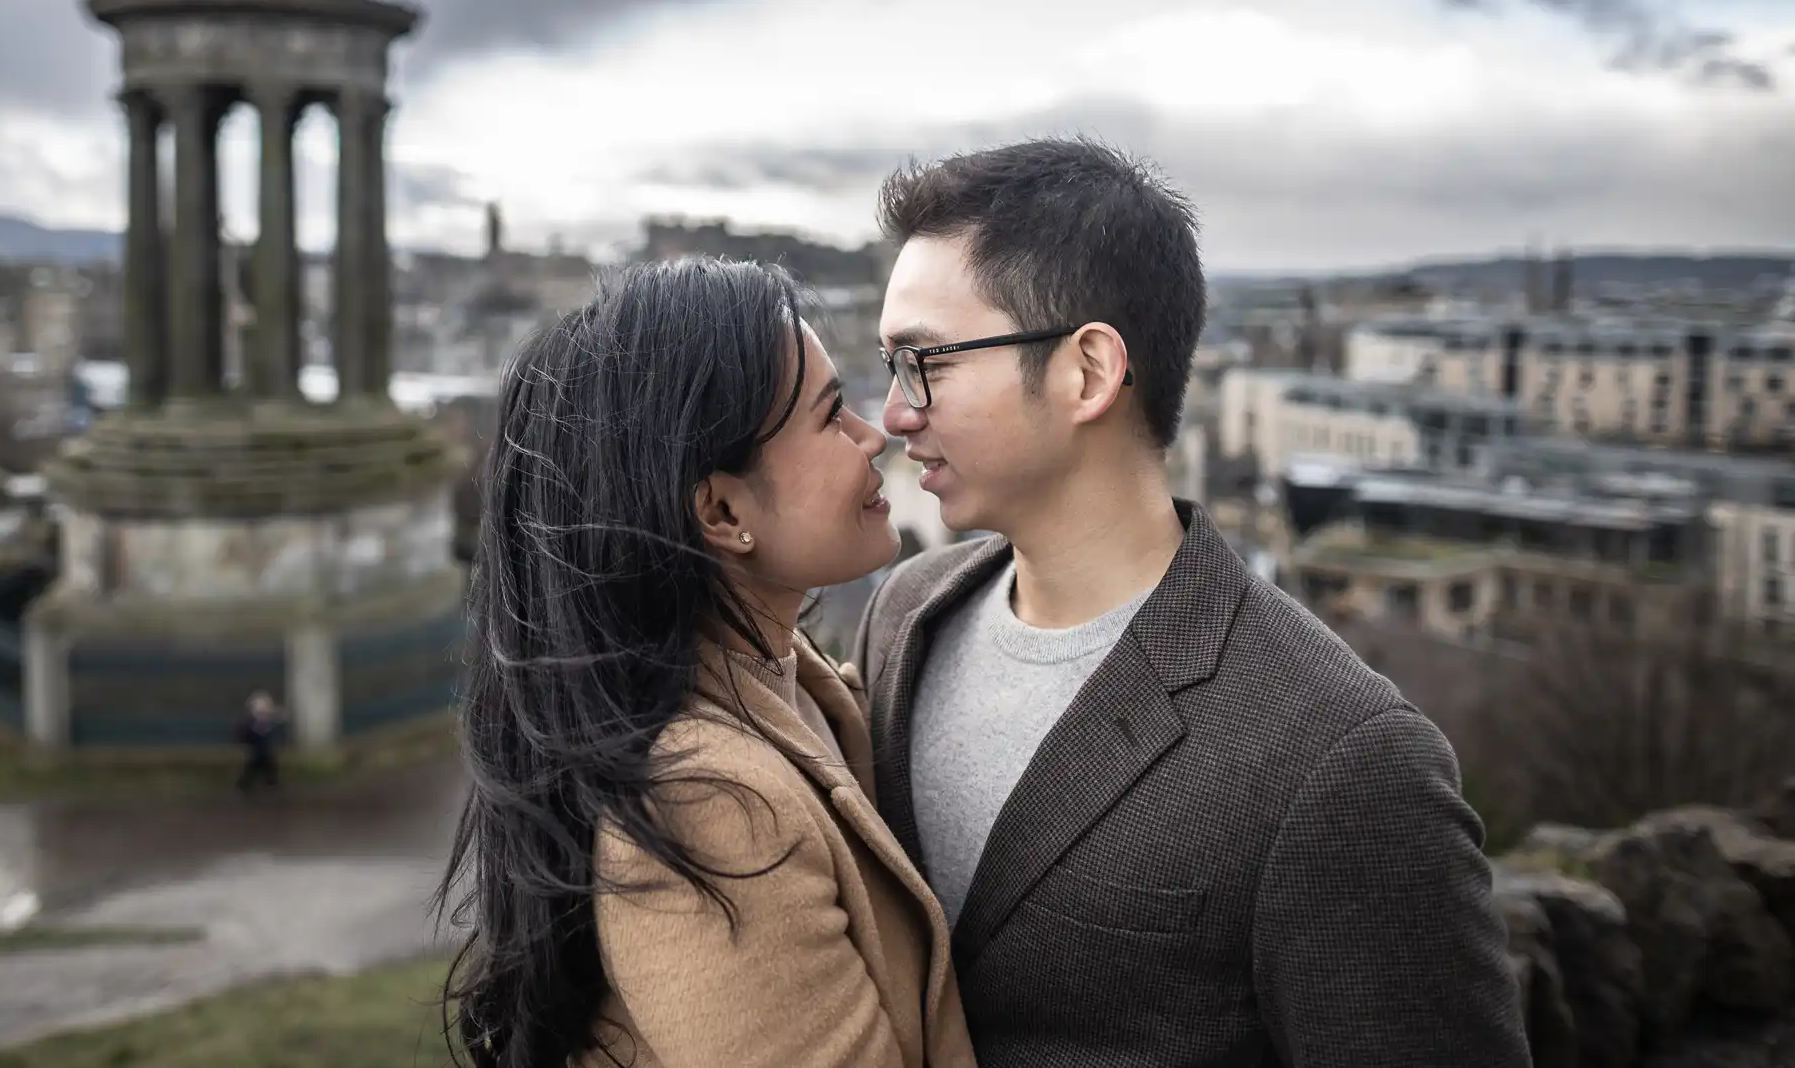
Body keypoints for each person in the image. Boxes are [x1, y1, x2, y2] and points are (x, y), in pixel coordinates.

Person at [855, 140, 1529, 1066]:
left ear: (1088, 372)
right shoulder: (906, 615)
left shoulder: (1345, 761)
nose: (894, 411)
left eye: (924, 360)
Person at [442, 258, 975, 1068]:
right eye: (834, 418)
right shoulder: (711, 805)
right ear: (723, 511)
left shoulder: (792, 681)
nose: (877, 434)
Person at [234, 690, 282, 793]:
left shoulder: (269, 723)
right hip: (255, 751)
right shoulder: (250, 724)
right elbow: (244, 735)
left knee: (270, 768)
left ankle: (271, 785)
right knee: (252, 769)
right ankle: (243, 786)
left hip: (265, 751)